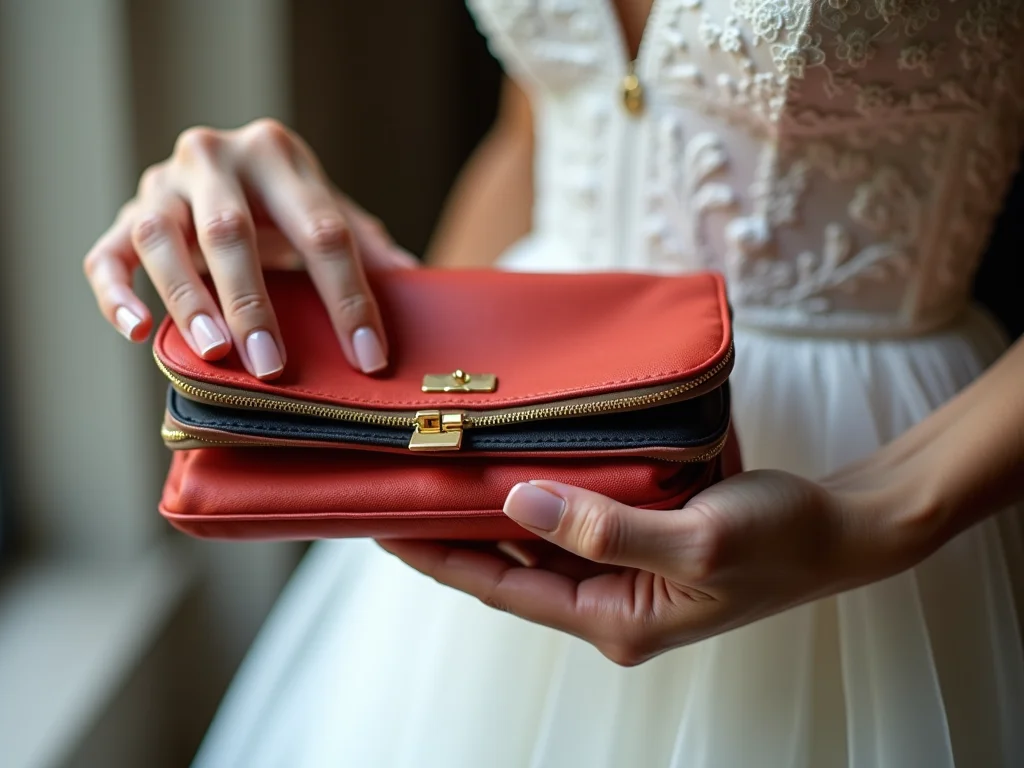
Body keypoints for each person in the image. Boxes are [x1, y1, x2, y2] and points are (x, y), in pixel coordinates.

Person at [83, 2, 1024, 765]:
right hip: (523, 410)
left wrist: (874, 514)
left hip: (887, 448)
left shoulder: (879, 500)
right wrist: (383, 379)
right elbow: (540, 128)